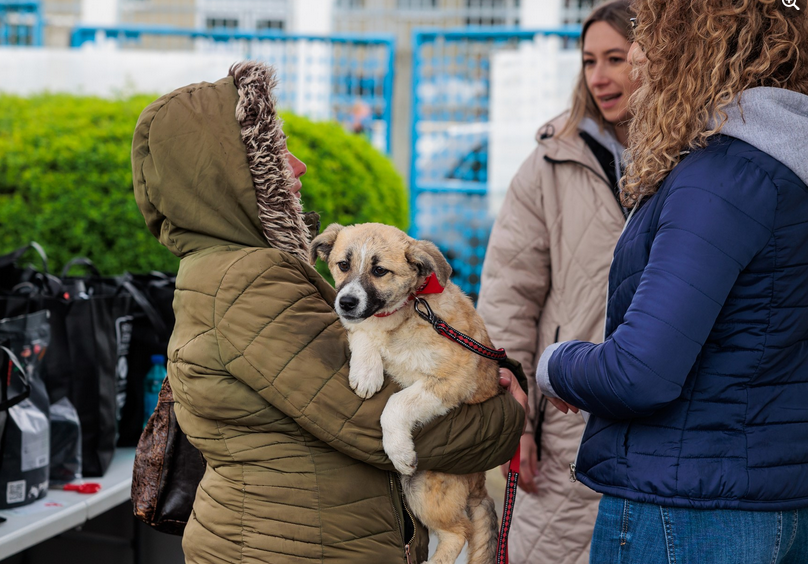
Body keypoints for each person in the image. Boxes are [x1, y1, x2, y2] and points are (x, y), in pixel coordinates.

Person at [131, 61, 527, 564]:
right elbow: (367, 422)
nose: (297, 167)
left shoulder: (243, 271)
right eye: (275, 153)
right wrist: (505, 414)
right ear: (226, 176)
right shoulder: (249, 285)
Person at [536, 0, 808, 562]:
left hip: (686, 515)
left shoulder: (724, 177)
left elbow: (641, 372)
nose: (637, 55)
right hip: (771, 504)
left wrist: (555, 364)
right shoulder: (785, 166)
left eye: (649, 34)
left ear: (698, 43)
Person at [477, 1, 636, 562]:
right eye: (590, 60)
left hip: (664, 417)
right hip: (566, 418)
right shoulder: (549, 162)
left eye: (616, 58)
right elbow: (508, 293)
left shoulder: (696, 156)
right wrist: (512, 420)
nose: (599, 75)